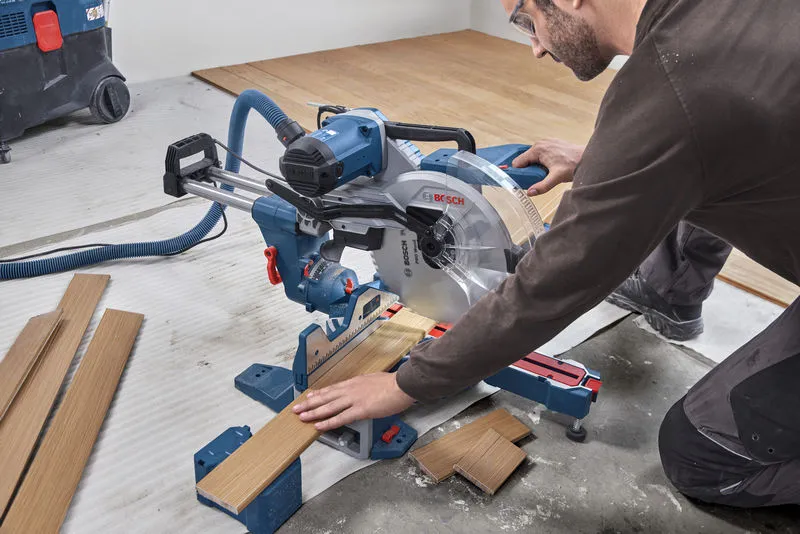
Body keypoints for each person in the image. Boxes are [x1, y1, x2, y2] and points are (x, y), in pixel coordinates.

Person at [295, 0, 800, 507]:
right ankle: (668, 292)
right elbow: (703, 129)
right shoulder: (709, 34)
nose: (535, 47)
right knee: (702, 165)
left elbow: (555, 282)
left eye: (526, 20)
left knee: (699, 456)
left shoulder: (672, 91)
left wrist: (405, 385)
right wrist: (607, 161)